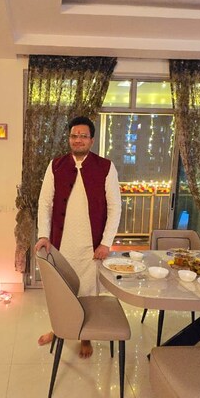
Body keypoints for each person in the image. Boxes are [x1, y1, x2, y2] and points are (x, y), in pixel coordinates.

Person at [35, 115, 122, 358]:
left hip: (91, 245)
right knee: (60, 290)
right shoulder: (56, 165)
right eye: (74, 135)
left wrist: (106, 242)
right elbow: (45, 203)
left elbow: (115, 206)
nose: (78, 140)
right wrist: (43, 235)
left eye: (83, 136)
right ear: (69, 138)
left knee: (88, 290)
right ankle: (59, 329)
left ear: (92, 140)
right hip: (61, 243)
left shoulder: (106, 167)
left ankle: (86, 336)